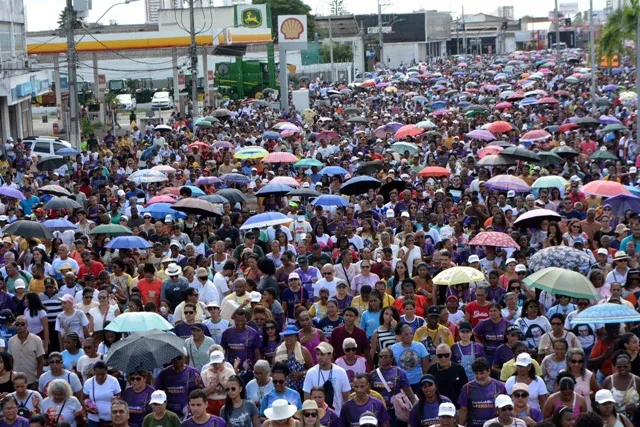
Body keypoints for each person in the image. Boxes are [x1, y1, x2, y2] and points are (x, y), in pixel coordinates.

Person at [302, 342, 351, 413]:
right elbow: (307, 398)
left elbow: (346, 397)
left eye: (322, 354)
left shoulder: (341, 372)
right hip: (316, 416)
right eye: (317, 354)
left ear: (330, 355)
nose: (319, 357)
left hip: (337, 414)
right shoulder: (311, 373)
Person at [458, 358, 507, 427]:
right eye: (476, 373)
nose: (479, 376)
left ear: (489, 371)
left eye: (482, 373)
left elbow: (506, 408)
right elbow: (463, 410)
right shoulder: (467, 387)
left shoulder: (500, 386)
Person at [154, 351, 202, 418]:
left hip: (188, 413)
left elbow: (201, 394)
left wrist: (199, 385)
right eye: (174, 358)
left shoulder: (193, 372)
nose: (176, 360)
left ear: (184, 358)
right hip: (169, 413)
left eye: (179, 358)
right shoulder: (164, 373)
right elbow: (157, 390)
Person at [7, 316, 44, 389]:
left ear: (27, 325)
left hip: (32, 380)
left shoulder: (36, 340)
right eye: (17, 324)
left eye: (22, 324)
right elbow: (10, 360)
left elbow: (41, 361)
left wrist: (37, 380)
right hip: (16, 381)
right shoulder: (11, 341)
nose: (19, 326)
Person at [82, 361, 121, 427]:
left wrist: (116, 399)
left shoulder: (113, 381)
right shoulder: (88, 383)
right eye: (97, 374)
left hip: (110, 419)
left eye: (102, 374)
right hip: (93, 419)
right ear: (94, 372)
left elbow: (119, 396)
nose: (100, 377)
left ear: (106, 371)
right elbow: (83, 399)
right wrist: (87, 409)